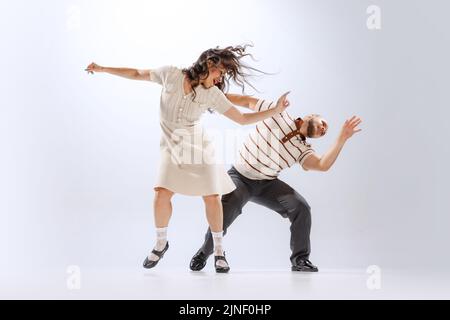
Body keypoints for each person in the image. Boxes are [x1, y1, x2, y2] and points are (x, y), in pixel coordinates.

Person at [85, 45, 291, 273]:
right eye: (219, 72)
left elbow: (241, 119)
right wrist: (103, 68)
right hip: (172, 146)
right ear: (209, 64)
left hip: (199, 146)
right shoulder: (170, 74)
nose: (220, 77)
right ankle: (161, 243)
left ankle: (220, 251)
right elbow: (137, 73)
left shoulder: (213, 94)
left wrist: (275, 110)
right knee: (161, 193)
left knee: (212, 197)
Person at [189, 96, 362, 272]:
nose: (323, 129)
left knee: (301, 207)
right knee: (223, 216)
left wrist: (342, 138)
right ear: (311, 115)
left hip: (267, 184)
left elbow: (322, 165)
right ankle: (204, 252)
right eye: (323, 123)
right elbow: (247, 101)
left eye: (324, 131)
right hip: (240, 177)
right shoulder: (278, 113)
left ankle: (300, 260)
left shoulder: (303, 149)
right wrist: (215, 96)